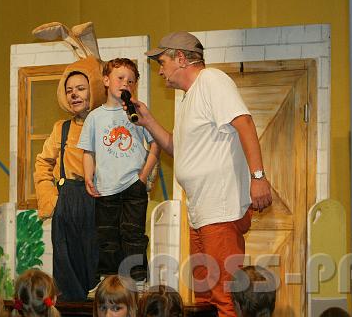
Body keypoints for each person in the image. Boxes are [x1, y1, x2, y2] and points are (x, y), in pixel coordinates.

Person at [128, 32, 273, 317]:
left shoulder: (211, 81)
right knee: (205, 296)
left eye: (162, 62)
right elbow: (177, 148)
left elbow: (244, 122)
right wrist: (148, 120)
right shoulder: (188, 99)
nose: (160, 70)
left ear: (181, 58)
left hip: (220, 210)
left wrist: (258, 177)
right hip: (201, 213)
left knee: (225, 296)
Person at [78, 58, 159, 287]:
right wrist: (88, 176)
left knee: (133, 235)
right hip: (106, 188)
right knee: (107, 236)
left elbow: (155, 144)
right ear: (106, 80)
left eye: (131, 81)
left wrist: (143, 176)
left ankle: (137, 281)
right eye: (120, 78)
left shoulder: (138, 112)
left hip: (133, 185)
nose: (125, 83)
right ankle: (110, 282)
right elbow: (88, 151)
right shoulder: (95, 117)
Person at [33, 56, 107, 301]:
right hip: (67, 200)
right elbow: (43, 163)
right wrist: (51, 199)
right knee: (66, 268)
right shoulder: (61, 128)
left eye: (81, 88)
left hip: (97, 200)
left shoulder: (107, 125)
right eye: (69, 90)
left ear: (94, 90)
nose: (74, 94)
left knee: (96, 264)